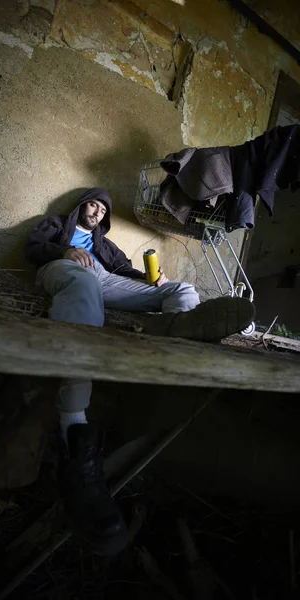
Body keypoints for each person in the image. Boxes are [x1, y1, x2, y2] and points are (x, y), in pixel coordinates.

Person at [25, 188, 254, 556]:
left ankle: (177, 326)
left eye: (102, 209)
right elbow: (34, 248)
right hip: (64, 269)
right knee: (84, 283)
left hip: (103, 278)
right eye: (92, 205)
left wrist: (154, 282)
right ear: (81, 207)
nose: (96, 212)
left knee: (180, 287)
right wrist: (65, 251)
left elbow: (123, 271)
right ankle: (74, 435)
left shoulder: (106, 243)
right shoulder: (56, 226)